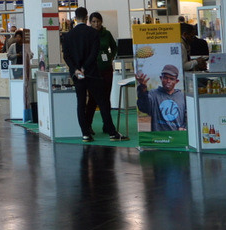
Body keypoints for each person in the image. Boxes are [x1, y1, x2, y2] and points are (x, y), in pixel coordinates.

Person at [61, 7, 124, 142]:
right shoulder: (93, 33)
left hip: (77, 75)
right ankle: (112, 133)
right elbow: (94, 53)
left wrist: (76, 69)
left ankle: (85, 134)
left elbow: (66, 56)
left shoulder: (68, 35)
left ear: (75, 18)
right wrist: (84, 68)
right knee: (102, 102)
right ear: (86, 18)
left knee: (81, 103)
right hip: (92, 73)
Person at [84, 13, 118, 118]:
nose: (96, 24)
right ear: (90, 22)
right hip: (93, 70)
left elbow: (114, 47)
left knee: (106, 96)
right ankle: (88, 123)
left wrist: (111, 56)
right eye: (94, 21)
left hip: (106, 68)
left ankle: (107, 123)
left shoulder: (106, 33)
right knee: (93, 97)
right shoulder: (87, 34)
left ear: (101, 22)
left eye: (98, 21)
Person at [136, 63, 187, 131]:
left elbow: (188, 116)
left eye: (172, 79)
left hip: (177, 135)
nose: (168, 81)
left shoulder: (182, 96)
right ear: (161, 78)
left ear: (176, 81)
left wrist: (184, 127)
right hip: (159, 136)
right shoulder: (153, 94)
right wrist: (143, 90)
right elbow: (143, 108)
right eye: (165, 78)